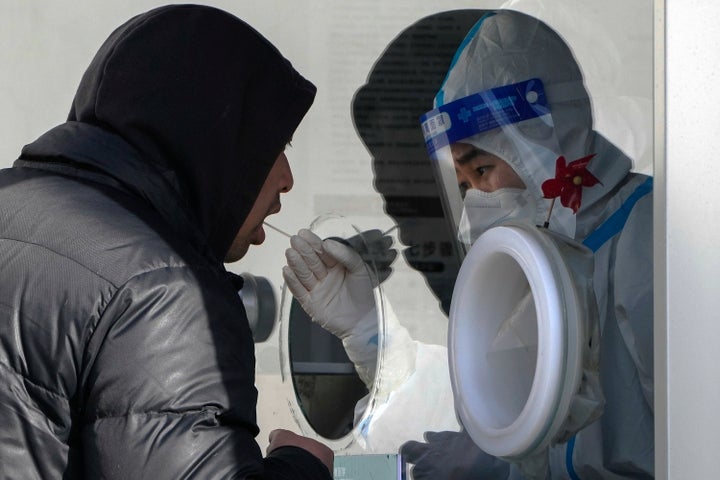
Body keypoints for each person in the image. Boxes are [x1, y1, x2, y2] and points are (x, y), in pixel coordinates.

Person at [285, 9, 653, 479]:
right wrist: (370, 334)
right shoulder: (547, 262)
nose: (477, 202)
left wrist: (501, 467)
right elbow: (485, 402)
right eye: (462, 183)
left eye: (482, 170)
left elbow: (688, 443)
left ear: (545, 143)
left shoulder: (643, 238)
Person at [0, 5, 333, 479]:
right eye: (278, 146)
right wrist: (304, 465)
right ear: (211, 138)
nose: (287, 179)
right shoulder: (161, 288)